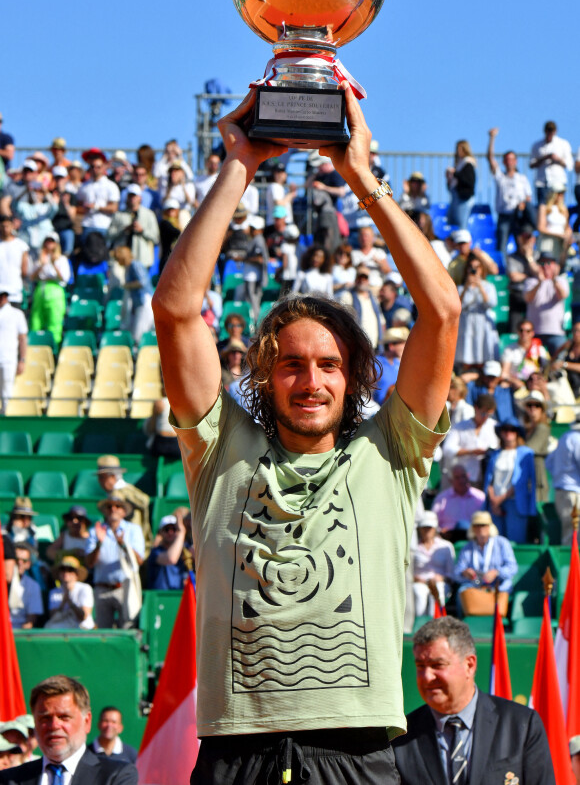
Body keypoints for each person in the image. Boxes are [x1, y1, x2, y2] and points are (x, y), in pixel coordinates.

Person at [152, 83, 460, 784]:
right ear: (265, 376)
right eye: (291, 365)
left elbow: (442, 310)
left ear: (353, 378)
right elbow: (175, 310)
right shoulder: (219, 451)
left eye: (329, 365)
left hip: (358, 751)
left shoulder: (391, 452)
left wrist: (361, 175)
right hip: (238, 753)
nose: (311, 381)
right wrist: (240, 161)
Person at [393, 616, 555, 784]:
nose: (427, 677)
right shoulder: (401, 737)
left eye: (437, 665)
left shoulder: (521, 725)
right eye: (420, 666)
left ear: (469, 665)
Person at [0, 675, 138, 784]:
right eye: (45, 718)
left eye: (64, 717)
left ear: (87, 721)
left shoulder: (116, 776)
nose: (54, 725)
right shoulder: (9, 779)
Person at [84, 493, 145, 629]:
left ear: (124, 511)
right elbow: (89, 563)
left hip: (125, 587)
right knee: (103, 633)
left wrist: (123, 545)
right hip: (101, 588)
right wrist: (99, 544)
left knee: (128, 628)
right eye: (109, 506)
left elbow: (139, 561)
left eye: (118, 506)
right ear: (104, 510)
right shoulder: (95, 531)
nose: (113, 509)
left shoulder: (133, 530)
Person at [484, 417, 536, 543]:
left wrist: (501, 498)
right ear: (500, 432)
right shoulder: (495, 454)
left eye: (512, 430)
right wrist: (493, 501)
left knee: (515, 541)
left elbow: (522, 481)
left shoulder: (526, 453)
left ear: (517, 433)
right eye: (505, 429)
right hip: (495, 504)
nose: (508, 432)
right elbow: (489, 480)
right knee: (494, 541)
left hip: (514, 502)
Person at [487, 127, 534, 258]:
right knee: (501, 245)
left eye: (512, 159)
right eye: (507, 159)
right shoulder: (500, 177)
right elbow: (490, 159)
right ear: (504, 162)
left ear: (516, 161)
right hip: (504, 216)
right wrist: (492, 138)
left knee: (521, 245)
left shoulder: (522, 178)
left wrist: (523, 205)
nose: (509, 162)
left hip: (518, 217)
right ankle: (500, 272)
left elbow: (528, 197)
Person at [454, 511, 518, 598]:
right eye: (477, 525)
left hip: (498, 585)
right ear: (472, 528)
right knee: (462, 592)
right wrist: (465, 573)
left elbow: (512, 567)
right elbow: (457, 572)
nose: (480, 528)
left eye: (483, 525)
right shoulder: (467, 548)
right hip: (474, 585)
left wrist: (497, 572)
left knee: (504, 588)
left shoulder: (502, 543)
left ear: (490, 527)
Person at [441, 393, 499, 488]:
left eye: (489, 415)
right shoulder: (460, 427)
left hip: (486, 479)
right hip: (464, 479)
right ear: (476, 408)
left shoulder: (495, 426)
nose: (485, 417)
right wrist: (471, 452)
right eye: (483, 413)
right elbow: (447, 449)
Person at [92, 456, 151, 547]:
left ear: (112, 477)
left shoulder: (118, 494)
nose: (99, 481)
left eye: (101, 477)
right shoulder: (124, 491)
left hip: (129, 545)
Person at [455, 253, 499, 369]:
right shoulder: (460, 287)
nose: (474, 270)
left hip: (482, 322)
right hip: (466, 323)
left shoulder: (488, 286)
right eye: (471, 267)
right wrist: (466, 287)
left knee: (482, 351)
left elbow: (491, 303)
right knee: (466, 351)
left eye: (477, 267)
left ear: (482, 269)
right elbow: (457, 305)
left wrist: (480, 286)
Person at [28, 234, 71, 345]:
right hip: (41, 290)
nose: (49, 244)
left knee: (54, 322)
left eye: (51, 241)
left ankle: (53, 348)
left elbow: (64, 278)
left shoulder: (62, 259)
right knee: (36, 321)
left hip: (55, 292)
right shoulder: (40, 259)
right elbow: (32, 277)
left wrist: (53, 263)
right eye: (47, 241)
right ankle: (35, 345)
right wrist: (42, 264)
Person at [524, 251, 569, 355]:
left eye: (549, 263)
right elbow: (528, 298)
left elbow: (563, 295)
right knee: (532, 366)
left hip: (556, 332)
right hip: (534, 333)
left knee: (558, 363)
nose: (546, 266)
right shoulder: (531, 281)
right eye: (542, 263)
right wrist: (540, 282)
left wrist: (553, 279)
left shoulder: (561, 280)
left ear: (555, 265)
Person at [412, 512, 455, 617]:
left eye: (429, 527)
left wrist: (442, 578)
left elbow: (451, 573)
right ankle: (418, 625)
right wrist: (417, 579)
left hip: (440, 582)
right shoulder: (413, 547)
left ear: (435, 528)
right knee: (420, 594)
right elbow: (409, 571)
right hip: (419, 583)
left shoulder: (446, 546)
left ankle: (436, 623)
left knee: (438, 592)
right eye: (424, 527)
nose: (427, 530)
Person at [107, 185, 159, 270]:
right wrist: (124, 229)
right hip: (121, 258)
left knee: (141, 282)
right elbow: (109, 235)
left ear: (140, 198)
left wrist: (142, 230)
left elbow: (156, 238)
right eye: (130, 196)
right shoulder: (119, 214)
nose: (132, 198)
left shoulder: (149, 214)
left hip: (141, 258)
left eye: (134, 196)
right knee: (117, 280)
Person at [112, 246, 154, 346]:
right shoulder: (128, 267)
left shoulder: (135, 264)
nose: (118, 262)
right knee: (133, 333)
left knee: (139, 334)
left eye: (118, 259)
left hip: (144, 302)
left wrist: (126, 286)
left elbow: (142, 282)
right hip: (138, 304)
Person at [546, 422, 580, 545]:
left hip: (562, 491)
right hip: (573, 494)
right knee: (573, 534)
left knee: (570, 532)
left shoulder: (565, 436)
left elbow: (549, 462)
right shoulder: (577, 439)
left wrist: (561, 477)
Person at [431, 465, 485, 540]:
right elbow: (432, 520)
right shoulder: (441, 499)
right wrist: (440, 531)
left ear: (468, 476)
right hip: (448, 538)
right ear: (451, 480)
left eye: (463, 476)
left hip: (474, 538)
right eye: (457, 477)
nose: (461, 480)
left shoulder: (480, 497)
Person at [339, 265, 385, 351]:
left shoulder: (373, 299)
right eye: (359, 278)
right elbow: (342, 320)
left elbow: (382, 321)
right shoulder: (348, 296)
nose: (362, 281)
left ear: (368, 280)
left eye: (365, 278)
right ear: (356, 279)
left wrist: (382, 340)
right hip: (357, 344)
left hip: (375, 346)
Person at [506, 223, 541, 332]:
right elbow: (513, 276)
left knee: (534, 330)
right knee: (516, 330)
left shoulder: (538, 255)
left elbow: (540, 274)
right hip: (517, 295)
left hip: (534, 296)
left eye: (529, 237)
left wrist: (529, 257)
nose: (526, 240)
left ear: (534, 239)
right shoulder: (512, 256)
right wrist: (530, 275)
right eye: (524, 237)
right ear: (519, 239)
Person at [76, 151, 120, 239]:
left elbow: (114, 208)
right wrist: (84, 208)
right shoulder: (84, 186)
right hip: (87, 225)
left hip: (104, 226)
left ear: (103, 167)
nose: (95, 169)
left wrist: (96, 207)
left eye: (98, 167)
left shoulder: (111, 185)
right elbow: (78, 207)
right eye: (92, 167)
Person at [530, 120, 573, 205]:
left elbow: (569, 165)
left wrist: (557, 159)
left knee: (558, 207)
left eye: (552, 130)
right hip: (541, 182)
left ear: (555, 131)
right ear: (545, 131)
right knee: (542, 208)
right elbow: (531, 164)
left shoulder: (563, 144)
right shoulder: (537, 145)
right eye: (548, 130)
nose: (550, 133)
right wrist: (543, 158)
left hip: (558, 181)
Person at [500, 318, 550, 391]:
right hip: (516, 385)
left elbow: (546, 370)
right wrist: (515, 381)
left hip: (535, 385)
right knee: (503, 385)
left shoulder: (539, 349)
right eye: (521, 330)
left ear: (532, 333)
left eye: (528, 331)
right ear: (517, 332)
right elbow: (504, 373)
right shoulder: (509, 350)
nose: (524, 333)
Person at [45, 556, 95, 630]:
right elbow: (53, 617)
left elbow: (83, 617)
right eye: (63, 569)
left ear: (76, 574)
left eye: (70, 570)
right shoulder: (54, 592)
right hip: (60, 629)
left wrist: (70, 602)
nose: (66, 573)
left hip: (83, 629)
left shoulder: (85, 589)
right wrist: (63, 602)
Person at [0, 288, 27, 415]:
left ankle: (6, 421)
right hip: (7, 359)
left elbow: (22, 339)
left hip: (8, 360)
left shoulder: (17, 314)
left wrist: (22, 360)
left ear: (5, 297)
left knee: (7, 393)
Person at [522, 390, 551, 504]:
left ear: (542, 409)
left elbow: (527, 449)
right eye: (529, 405)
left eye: (537, 405)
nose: (533, 408)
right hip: (528, 471)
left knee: (538, 504)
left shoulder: (542, 428)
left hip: (537, 472)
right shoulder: (527, 429)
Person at [146, 514, 188, 590]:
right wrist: (182, 532)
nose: (170, 532)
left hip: (179, 596)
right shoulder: (155, 552)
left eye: (174, 529)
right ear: (160, 532)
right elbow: (171, 559)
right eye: (166, 529)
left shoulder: (185, 549)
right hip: (159, 598)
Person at [10, 544, 44, 629]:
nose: (20, 563)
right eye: (17, 560)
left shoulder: (33, 586)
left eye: (24, 561)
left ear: (28, 564)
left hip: (20, 632)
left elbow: (30, 620)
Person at [446, 140, 477, 230]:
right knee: (451, 223)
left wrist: (455, 173)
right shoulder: (458, 164)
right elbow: (451, 187)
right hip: (455, 198)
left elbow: (468, 181)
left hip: (463, 199)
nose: (458, 151)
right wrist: (449, 178)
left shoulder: (468, 164)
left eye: (460, 149)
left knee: (461, 226)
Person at [373, 326, 409, 404]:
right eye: (402, 344)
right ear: (391, 346)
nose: (406, 347)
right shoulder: (375, 364)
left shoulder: (399, 364)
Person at [0, 215, 29, 309]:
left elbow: (24, 271)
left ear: (12, 226)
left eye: (7, 226)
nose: (5, 229)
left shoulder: (21, 245)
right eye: (3, 226)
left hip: (15, 293)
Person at [537, 189, 573, 264]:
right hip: (547, 244)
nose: (561, 196)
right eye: (559, 193)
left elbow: (567, 227)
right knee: (547, 268)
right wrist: (559, 235)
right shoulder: (544, 207)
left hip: (560, 245)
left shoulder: (564, 209)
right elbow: (541, 228)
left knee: (559, 267)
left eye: (562, 193)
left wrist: (568, 234)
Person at [551, 320, 580, 398]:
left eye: (579, 331)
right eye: (574, 331)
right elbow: (553, 359)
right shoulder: (568, 346)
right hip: (565, 383)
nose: (576, 334)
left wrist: (564, 364)